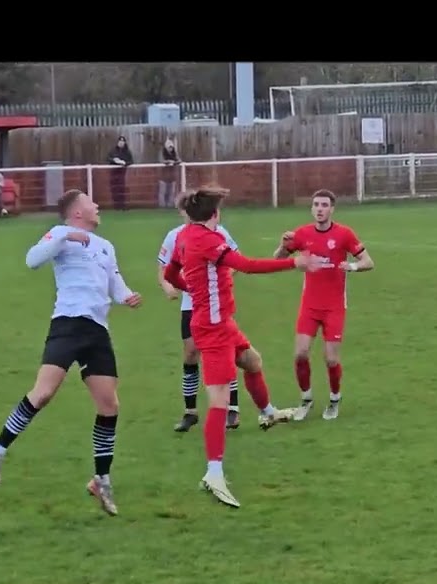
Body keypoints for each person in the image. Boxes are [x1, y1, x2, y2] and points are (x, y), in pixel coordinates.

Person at [0, 190, 143, 516]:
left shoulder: (106, 246)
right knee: (42, 394)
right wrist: (66, 235)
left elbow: (115, 284)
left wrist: (127, 297)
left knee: (109, 405)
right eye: (91, 202)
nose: (98, 206)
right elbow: (32, 260)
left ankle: (101, 479)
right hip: (67, 325)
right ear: (77, 212)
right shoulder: (59, 234)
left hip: (97, 331)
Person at [161, 186, 317, 508]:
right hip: (213, 328)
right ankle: (213, 473)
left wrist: (190, 287)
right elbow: (246, 265)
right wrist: (294, 264)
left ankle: (268, 413)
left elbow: (169, 272)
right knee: (219, 401)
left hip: (220, 321)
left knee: (252, 361)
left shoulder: (185, 236)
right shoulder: (208, 240)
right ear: (214, 215)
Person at [274, 190, 375, 421]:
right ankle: (306, 399)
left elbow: (369, 261)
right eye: (316, 205)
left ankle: (334, 399)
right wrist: (282, 246)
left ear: (332, 209)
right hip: (309, 305)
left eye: (324, 205)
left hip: (334, 306)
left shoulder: (344, 234)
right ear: (312, 209)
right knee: (300, 354)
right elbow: (278, 260)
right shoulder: (302, 234)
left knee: (331, 359)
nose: (320, 208)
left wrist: (352, 267)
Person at [157, 194, 243, 432]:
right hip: (190, 304)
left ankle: (232, 409)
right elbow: (164, 268)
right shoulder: (175, 236)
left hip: (215, 304)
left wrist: (220, 282)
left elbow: (234, 262)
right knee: (191, 352)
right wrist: (168, 287)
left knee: (224, 352)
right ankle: (190, 411)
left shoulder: (219, 232)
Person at [107, 137, 134, 211]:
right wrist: (115, 161)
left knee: (121, 189)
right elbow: (108, 158)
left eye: (122, 141)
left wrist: (125, 163)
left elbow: (131, 161)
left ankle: (122, 205)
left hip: (122, 173)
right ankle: (116, 206)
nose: (121, 142)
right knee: (114, 189)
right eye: (120, 141)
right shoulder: (113, 151)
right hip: (113, 172)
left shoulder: (127, 152)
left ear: (125, 142)